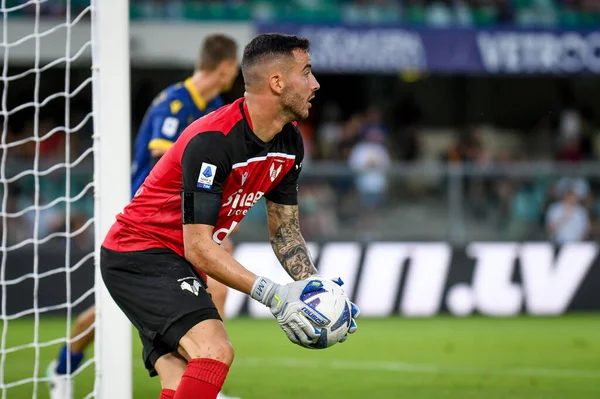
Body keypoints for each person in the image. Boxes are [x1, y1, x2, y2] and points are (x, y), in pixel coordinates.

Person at [100, 33, 358, 399]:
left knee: (181, 378)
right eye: (307, 72)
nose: (315, 83)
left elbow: (284, 231)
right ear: (277, 82)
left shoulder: (290, 142)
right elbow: (198, 246)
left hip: (172, 261)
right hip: (141, 253)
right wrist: (275, 296)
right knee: (215, 352)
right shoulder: (214, 140)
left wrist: (317, 291)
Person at [47, 33, 242, 399]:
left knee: (209, 288)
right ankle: (63, 366)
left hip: (179, 220)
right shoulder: (173, 105)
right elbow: (163, 167)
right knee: (110, 310)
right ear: (227, 67)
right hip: (145, 221)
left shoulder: (212, 104)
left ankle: (200, 379)